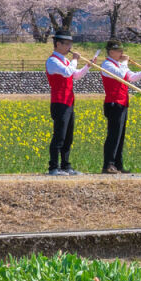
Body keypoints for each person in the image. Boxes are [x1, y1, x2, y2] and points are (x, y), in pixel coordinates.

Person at [97, 41, 141, 174]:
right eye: (119, 51)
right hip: (113, 103)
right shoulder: (107, 64)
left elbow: (132, 77)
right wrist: (125, 63)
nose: (122, 53)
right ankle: (108, 164)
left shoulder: (120, 65)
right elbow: (119, 74)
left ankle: (118, 164)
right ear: (111, 52)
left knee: (120, 135)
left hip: (123, 102)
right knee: (113, 135)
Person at [44, 32, 87, 176]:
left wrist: (88, 65)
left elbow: (76, 75)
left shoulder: (65, 60)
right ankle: (53, 167)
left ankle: (66, 165)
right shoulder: (53, 61)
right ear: (58, 44)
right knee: (59, 135)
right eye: (67, 44)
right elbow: (68, 72)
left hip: (69, 101)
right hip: (59, 101)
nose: (70, 47)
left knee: (68, 136)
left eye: (70, 44)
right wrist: (75, 59)